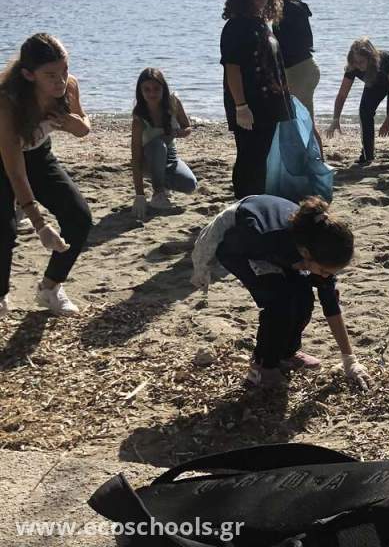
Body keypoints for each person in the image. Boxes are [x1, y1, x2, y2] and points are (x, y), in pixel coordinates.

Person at [191, 194, 372, 390]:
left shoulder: (315, 245)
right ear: (305, 254)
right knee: (280, 301)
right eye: (324, 271)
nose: (326, 276)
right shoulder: (266, 239)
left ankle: (286, 353)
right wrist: (288, 265)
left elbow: (330, 304)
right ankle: (262, 367)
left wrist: (349, 359)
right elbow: (231, 248)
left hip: (282, 246)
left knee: (304, 296)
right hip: (238, 243)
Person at [0, 34, 93, 317]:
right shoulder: (8, 103)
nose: (60, 80)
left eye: (64, 70)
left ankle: (49, 288)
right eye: (50, 75)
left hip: (39, 155)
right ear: (29, 74)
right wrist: (40, 225)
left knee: (79, 218)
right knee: (4, 230)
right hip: (4, 161)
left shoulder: (68, 87)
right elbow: (15, 171)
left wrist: (72, 123)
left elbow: (84, 128)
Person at [220, 0, 293, 199]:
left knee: (261, 155)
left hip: (269, 103)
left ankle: (256, 200)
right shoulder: (236, 27)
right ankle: (244, 201)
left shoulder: (261, 23)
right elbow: (232, 69)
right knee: (249, 156)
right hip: (250, 104)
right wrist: (241, 106)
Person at [324, 38, 389, 166]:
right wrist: (335, 119)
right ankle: (367, 155)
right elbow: (342, 95)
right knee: (364, 111)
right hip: (376, 82)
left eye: (361, 62)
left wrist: (388, 121)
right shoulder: (352, 67)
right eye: (355, 62)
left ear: (371, 58)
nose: (358, 66)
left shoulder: (384, 60)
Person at [130, 68, 198, 219]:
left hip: (171, 157)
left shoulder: (173, 102)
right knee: (158, 145)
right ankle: (158, 192)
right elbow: (135, 157)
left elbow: (187, 128)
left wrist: (177, 133)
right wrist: (140, 195)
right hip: (149, 159)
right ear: (140, 91)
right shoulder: (139, 118)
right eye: (147, 89)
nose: (152, 93)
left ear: (164, 88)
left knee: (190, 185)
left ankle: (163, 184)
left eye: (156, 89)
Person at [263, 0, 321, 122]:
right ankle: (312, 139)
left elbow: (282, 47)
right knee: (304, 119)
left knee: (298, 121)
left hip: (297, 71)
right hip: (307, 67)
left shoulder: (284, 8)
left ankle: (310, 140)